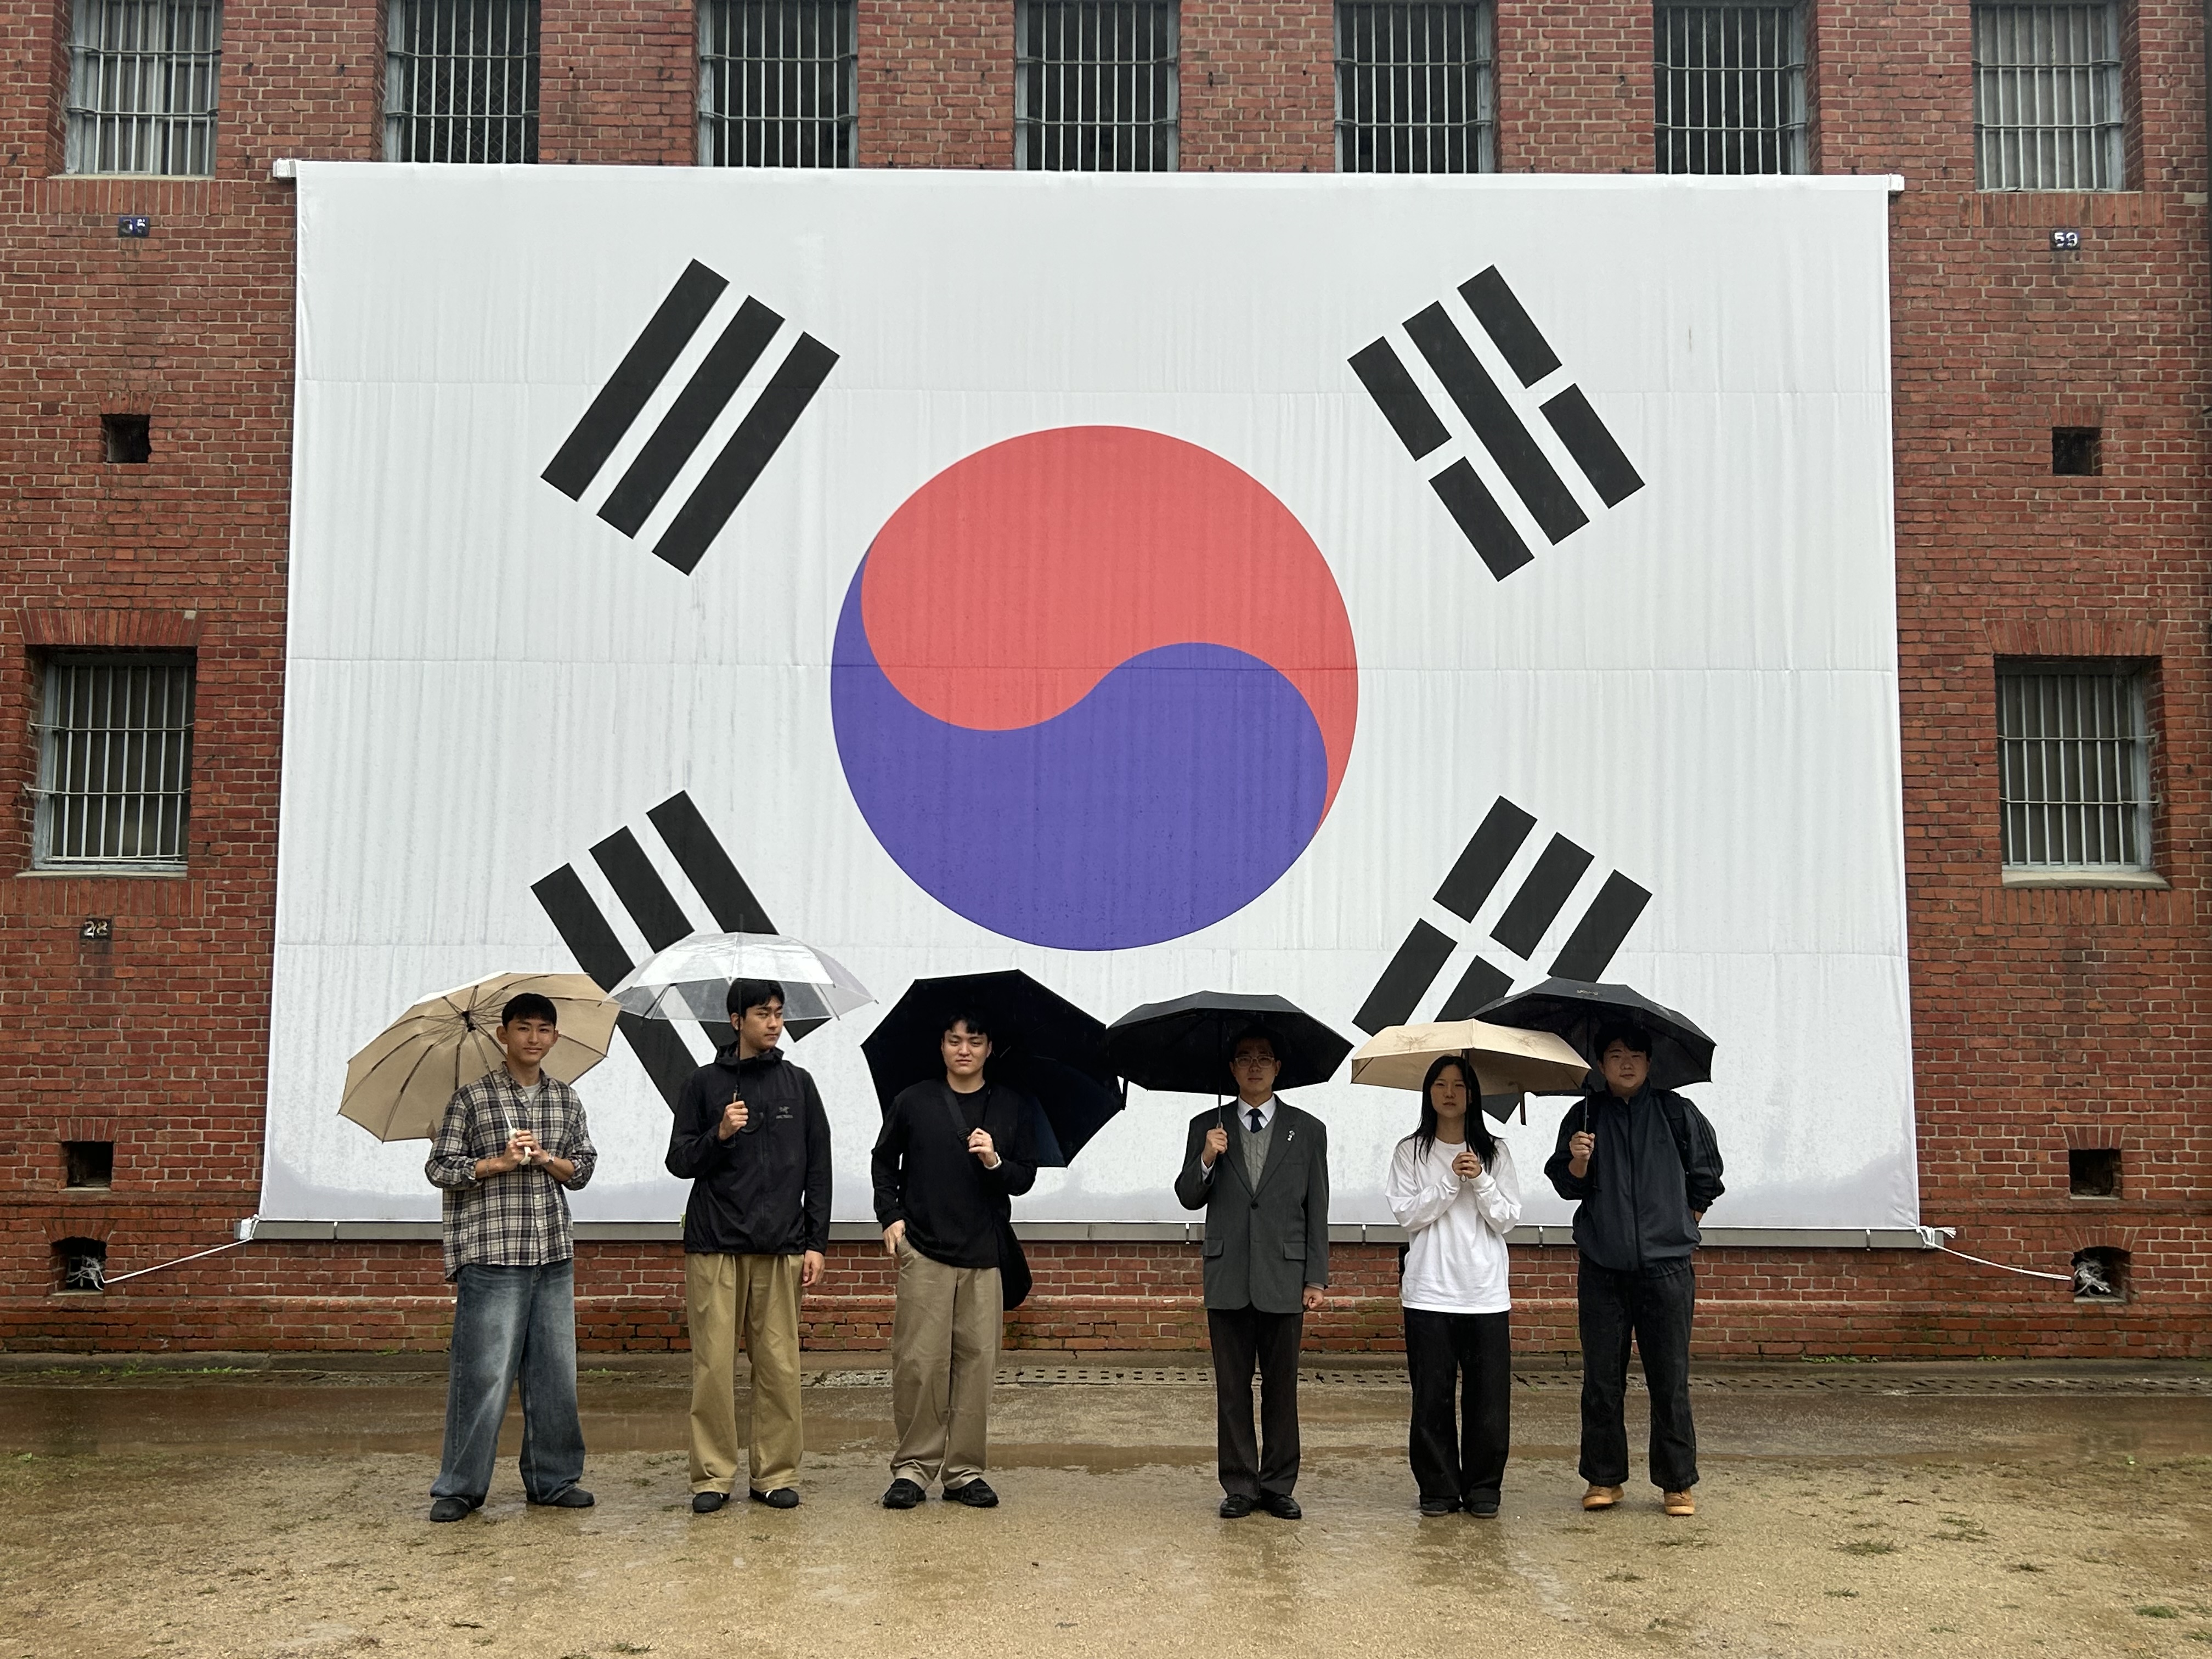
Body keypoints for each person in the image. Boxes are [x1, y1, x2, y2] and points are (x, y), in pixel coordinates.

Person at [423, 991, 599, 1521]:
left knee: (555, 1374)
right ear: (503, 1035)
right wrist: (495, 1164)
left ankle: (553, 1480)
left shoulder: (566, 1100)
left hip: (551, 1252)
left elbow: (583, 1169)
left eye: (544, 1029)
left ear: (556, 1037)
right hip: (493, 1253)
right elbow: (440, 1168)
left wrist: (546, 1158)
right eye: (523, 1028)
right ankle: (459, 1487)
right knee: (484, 1375)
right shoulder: (471, 1099)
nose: (534, 1039)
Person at [1543, 1023, 1724, 1518]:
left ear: (1649, 1063)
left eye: (1636, 1055)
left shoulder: (1676, 1112)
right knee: (1602, 1380)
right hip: (1602, 1268)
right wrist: (1579, 1161)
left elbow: (1707, 1177)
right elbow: (1566, 1185)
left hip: (1667, 1271)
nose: (1626, 1063)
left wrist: (1680, 1224)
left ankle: (1677, 1483)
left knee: (1670, 1378)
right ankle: (1603, 1479)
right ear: (1601, 1064)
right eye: (1616, 1054)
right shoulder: (1584, 1116)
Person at [664, 979, 832, 1515]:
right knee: (714, 1368)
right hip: (715, 1243)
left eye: (779, 1013)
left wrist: (816, 1242)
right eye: (763, 1013)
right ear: (736, 1020)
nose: (774, 1023)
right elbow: (679, 1160)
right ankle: (712, 1477)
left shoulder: (798, 1085)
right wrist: (719, 1134)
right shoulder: (704, 1083)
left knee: (779, 1366)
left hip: (781, 1244)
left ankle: (775, 1474)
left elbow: (819, 1167)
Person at [870, 1010, 1038, 1510]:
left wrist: (994, 1160)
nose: (964, 1050)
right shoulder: (913, 1101)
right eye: (954, 1040)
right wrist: (891, 1218)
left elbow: (1024, 1177)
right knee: (919, 1363)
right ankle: (913, 1469)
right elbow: (884, 1162)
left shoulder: (1010, 1106)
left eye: (975, 1041)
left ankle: (964, 1472)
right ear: (941, 1046)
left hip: (984, 1254)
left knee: (976, 1365)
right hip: (924, 1250)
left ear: (990, 1048)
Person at [1172, 1028, 1330, 1520]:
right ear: (1232, 1069)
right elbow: (1188, 1196)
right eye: (1244, 1058)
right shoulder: (1207, 1126)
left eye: (1264, 1058)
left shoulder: (1307, 1129)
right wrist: (1207, 1157)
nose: (1255, 1066)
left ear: (1278, 1068)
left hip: (1285, 1275)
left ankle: (1278, 1484)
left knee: (1282, 1388)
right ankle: (1240, 1483)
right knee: (1232, 1388)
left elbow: (1317, 1207)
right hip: (1229, 1275)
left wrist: (1316, 1277)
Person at [1386, 1054, 1521, 1518]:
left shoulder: (1496, 1151)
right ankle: (1438, 1487)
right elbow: (1407, 1214)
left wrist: (1480, 1179)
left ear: (1473, 1095)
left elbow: (1507, 1219)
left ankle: (1484, 1487)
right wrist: (1448, 1182)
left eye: (1460, 1085)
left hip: (1484, 1291)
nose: (1449, 1093)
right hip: (1429, 1290)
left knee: (1488, 1398)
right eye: (1440, 1084)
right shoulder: (1411, 1151)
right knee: (1432, 1396)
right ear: (1428, 1093)